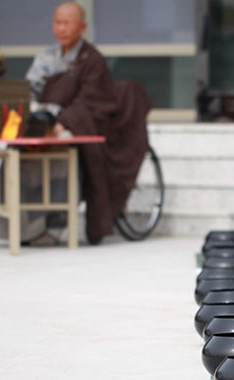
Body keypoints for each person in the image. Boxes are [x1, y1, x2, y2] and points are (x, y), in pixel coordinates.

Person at [25, 2, 151, 245]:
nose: (60, 28)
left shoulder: (92, 59)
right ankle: (27, 226)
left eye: (66, 23)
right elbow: (30, 90)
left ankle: (56, 226)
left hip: (76, 126)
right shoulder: (46, 58)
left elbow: (92, 101)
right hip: (43, 123)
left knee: (64, 152)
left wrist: (64, 123)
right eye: (56, 22)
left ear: (82, 27)